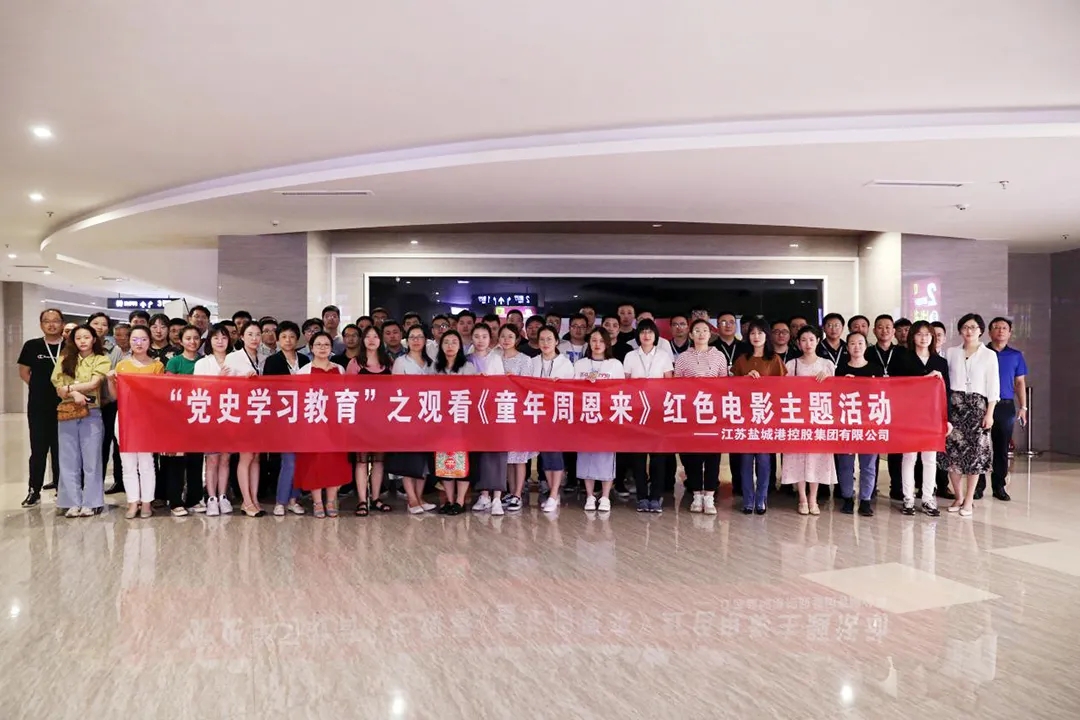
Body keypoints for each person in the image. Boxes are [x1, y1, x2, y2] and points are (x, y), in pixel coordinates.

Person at [943, 314, 999, 517]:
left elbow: (993, 386)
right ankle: (958, 496)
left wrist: (990, 413)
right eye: (965, 327)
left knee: (975, 455)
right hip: (955, 407)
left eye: (973, 327)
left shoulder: (989, 355)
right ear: (960, 330)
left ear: (981, 330)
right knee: (953, 455)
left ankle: (969, 499)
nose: (969, 331)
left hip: (977, 407)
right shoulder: (951, 352)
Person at [51, 324, 110, 517]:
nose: (82, 341)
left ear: (94, 339)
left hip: (91, 412)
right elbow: (57, 386)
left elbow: (94, 383)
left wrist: (70, 389)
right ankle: (71, 502)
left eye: (86, 337)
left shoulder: (101, 359)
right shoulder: (64, 359)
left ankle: (92, 502)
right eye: (78, 338)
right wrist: (74, 393)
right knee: (68, 458)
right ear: (73, 341)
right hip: (68, 412)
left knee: (92, 459)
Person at [107, 326, 165, 519]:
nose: (139, 343)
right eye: (135, 339)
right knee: (128, 462)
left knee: (147, 462)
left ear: (150, 342)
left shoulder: (157, 366)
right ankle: (133, 501)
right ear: (129, 341)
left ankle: (147, 502)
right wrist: (110, 381)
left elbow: (159, 395)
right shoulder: (122, 366)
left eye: (143, 339)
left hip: (147, 419)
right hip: (125, 418)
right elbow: (115, 396)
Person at [731, 317, 787, 514]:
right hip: (746, 417)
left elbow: (782, 387)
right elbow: (731, 387)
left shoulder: (774, 359)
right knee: (746, 460)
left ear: (767, 335)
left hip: (766, 417)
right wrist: (745, 380)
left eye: (760, 333)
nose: (756, 337)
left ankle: (762, 498)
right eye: (752, 333)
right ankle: (748, 499)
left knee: (764, 460)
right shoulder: (742, 359)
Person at [674, 319, 729, 515]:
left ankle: (710, 496)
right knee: (693, 455)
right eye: (697, 330)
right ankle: (697, 494)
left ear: (710, 334)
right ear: (691, 334)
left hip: (712, 412)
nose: (701, 334)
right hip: (690, 412)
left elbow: (725, 384)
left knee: (712, 455)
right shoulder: (682, 358)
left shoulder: (719, 356)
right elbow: (676, 386)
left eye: (705, 330)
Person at [294, 332, 350, 518]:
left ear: (331, 348)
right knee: (314, 462)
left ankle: (331, 500)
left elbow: (344, 396)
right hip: (313, 423)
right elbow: (299, 400)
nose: (322, 348)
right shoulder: (304, 371)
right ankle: (317, 501)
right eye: (318, 344)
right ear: (311, 348)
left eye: (326, 344)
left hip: (335, 424)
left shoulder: (339, 369)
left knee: (334, 461)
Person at [783, 326, 836, 515]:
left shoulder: (827, 364)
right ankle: (802, 498)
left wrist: (829, 379)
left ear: (818, 341)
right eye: (803, 340)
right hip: (797, 417)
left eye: (812, 339)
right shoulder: (791, 365)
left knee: (816, 457)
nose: (808, 344)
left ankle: (813, 498)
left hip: (819, 417)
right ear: (798, 343)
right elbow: (784, 391)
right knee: (797, 457)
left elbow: (836, 391)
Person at [622, 319, 674, 512]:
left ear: (655, 335)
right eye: (643, 332)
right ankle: (642, 496)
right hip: (637, 412)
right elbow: (625, 384)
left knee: (658, 457)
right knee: (638, 457)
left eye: (650, 332)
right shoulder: (630, 356)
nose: (646, 335)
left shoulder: (663, 355)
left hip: (658, 412)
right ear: (638, 335)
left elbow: (670, 384)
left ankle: (656, 496)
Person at [900, 320, 949, 517]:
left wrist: (947, 419)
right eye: (919, 334)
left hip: (932, 417)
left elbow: (947, 392)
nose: (923, 338)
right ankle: (908, 498)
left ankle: (928, 498)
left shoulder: (940, 362)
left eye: (927, 334)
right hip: (909, 416)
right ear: (913, 337)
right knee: (909, 457)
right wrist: (925, 378)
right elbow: (898, 387)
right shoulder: (903, 359)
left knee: (930, 459)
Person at [573, 329, 625, 512]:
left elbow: (621, 390)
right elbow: (571, 389)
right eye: (594, 340)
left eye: (601, 341)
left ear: (607, 343)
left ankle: (605, 496)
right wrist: (584, 383)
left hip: (607, 418)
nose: (597, 344)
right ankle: (589, 495)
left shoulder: (615, 364)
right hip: (585, 417)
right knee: (586, 456)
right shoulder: (580, 364)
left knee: (606, 456)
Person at [976, 317, 1027, 502]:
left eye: (1004, 328)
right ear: (989, 332)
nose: (1000, 330)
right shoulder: (981, 352)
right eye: (996, 327)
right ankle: (978, 486)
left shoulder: (1016, 355)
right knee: (980, 446)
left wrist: (1023, 407)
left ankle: (999, 486)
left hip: (1005, 405)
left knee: (1001, 447)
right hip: (982, 403)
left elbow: (1020, 382)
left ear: (1010, 332)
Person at [17, 308, 65, 507]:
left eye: (56, 320)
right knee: (38, 449)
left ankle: (62, 489)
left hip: (64, 405)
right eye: (47, 321)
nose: (51, 324)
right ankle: (33, 490)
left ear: (62, 324)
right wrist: (39, 389)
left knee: (61, 449)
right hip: (38, 406)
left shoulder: (69, 346)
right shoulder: (32, 346)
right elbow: (24, 373)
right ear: (41, 324)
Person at [262, 321, 309, 516]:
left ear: (297, 339)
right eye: (283, 337)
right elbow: (269, 390)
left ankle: (293, 499)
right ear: (278, 340)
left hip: (304, 417)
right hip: (282, 417)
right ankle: (280, 501)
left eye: (291, 337)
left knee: (299, 461)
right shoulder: (272, 361)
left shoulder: (305, 360)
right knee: (288, 460)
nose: (288, 340)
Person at [389, 326, 437, 514]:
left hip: (427, 416)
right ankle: (411, 499)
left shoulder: (431, 363)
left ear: (425, 340)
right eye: (412, 337)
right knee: (408, 459)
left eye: (420, 337)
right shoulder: (401, 362)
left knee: (423, 460)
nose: (416, 340)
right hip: (407, 416)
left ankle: (420, 496)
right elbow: (396, 390)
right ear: (406, 341)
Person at [834, 332, 881, 516]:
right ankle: (847, 497)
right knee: (846, 463)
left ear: (866, 346)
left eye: (860, 343)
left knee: (868, 464)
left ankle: (865, 500)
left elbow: (882, 395)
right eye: (852, 343)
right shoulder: (840, 369)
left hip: (869, 423)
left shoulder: (876, 369)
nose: (856, 347)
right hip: (847, 422)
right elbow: (834, 396)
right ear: (847, 347)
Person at [163, 325, 207, 515]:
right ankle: (175, 501)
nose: (192, 342)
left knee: (196, 459)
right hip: (178, 416)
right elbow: (169, 388)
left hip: (199, 414)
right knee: (177, 460)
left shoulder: (205, 361)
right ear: (180, 341)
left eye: (196, 338)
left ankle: (194, 499)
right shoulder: (174, 362)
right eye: (188, 338)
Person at [466, 324, 509, 515]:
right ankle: (484, 495)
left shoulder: (496, 358)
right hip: (474, 412)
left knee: (498, 453)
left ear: (490, 338)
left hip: (495, 410)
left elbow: (501, 384)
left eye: (484, 336)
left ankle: (497, 497)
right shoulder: (467, 359)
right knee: (480, 454)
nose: (480, 340)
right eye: (476, 336)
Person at [193, 324, 236, 516]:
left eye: (224, 337)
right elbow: (198, 390)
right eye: (216, 338)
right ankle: (211, 498)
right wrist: (218, 380)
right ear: (209, 341)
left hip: (230, 415)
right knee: (211, 459)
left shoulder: (235, 361)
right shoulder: (202, 363)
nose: (220, 341)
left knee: (226, 458)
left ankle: (222, 495)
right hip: (210, 417)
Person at [350, 325, 393, 516]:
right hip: (361, 420)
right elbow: (347, 392)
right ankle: (362, 500)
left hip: (382, 420)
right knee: (361, 461)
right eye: (368, 336)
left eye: (375, 336)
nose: (372, 340)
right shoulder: (355, 363)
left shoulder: (387, 362)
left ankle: (375, 498)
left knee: (378, 460)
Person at [531, 326, 575, 511]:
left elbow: (572, 389)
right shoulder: (532, 362)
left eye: (549, 339)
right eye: (542, 339)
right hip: (537, 414)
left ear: (557, 341)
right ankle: (552, 492)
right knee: (545, 456)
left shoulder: (565, 363)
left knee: (555, 454)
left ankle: (554, 493)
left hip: (557, 415)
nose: (545, 343)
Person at [224, 322, 266, 517]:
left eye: (257, 334)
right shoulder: (233, 358)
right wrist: (244, 383)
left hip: (259, 412)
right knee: (246, 456)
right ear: (241, 337)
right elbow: (226, 387)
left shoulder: (263, 358)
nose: (254, 338)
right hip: (241, 414)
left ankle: (254, 499)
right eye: (250, 334)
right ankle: (246, 501)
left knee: (256, 457)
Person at [434, 330, 476, 515]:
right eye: (446, 342)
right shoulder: (434, 368)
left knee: (461, 461)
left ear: (460, 346)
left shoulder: (468, 367)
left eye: (454, 342)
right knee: (444, 462)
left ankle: (460, 501)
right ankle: (449, 500)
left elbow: (473, 393)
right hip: (440, 422)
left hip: (462, 422)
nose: (450, 346)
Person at [497, 324, 535, 512]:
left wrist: (514, 380)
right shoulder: (494, 358)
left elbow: (527, 386)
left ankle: (518, 494)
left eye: (510, 336)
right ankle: (511, 492)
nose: (506, 340)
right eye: (503, 336)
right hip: (500, 413)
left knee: (519, 457)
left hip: (518, 413)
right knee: (508, 458)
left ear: (517, 339)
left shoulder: (525, 360)